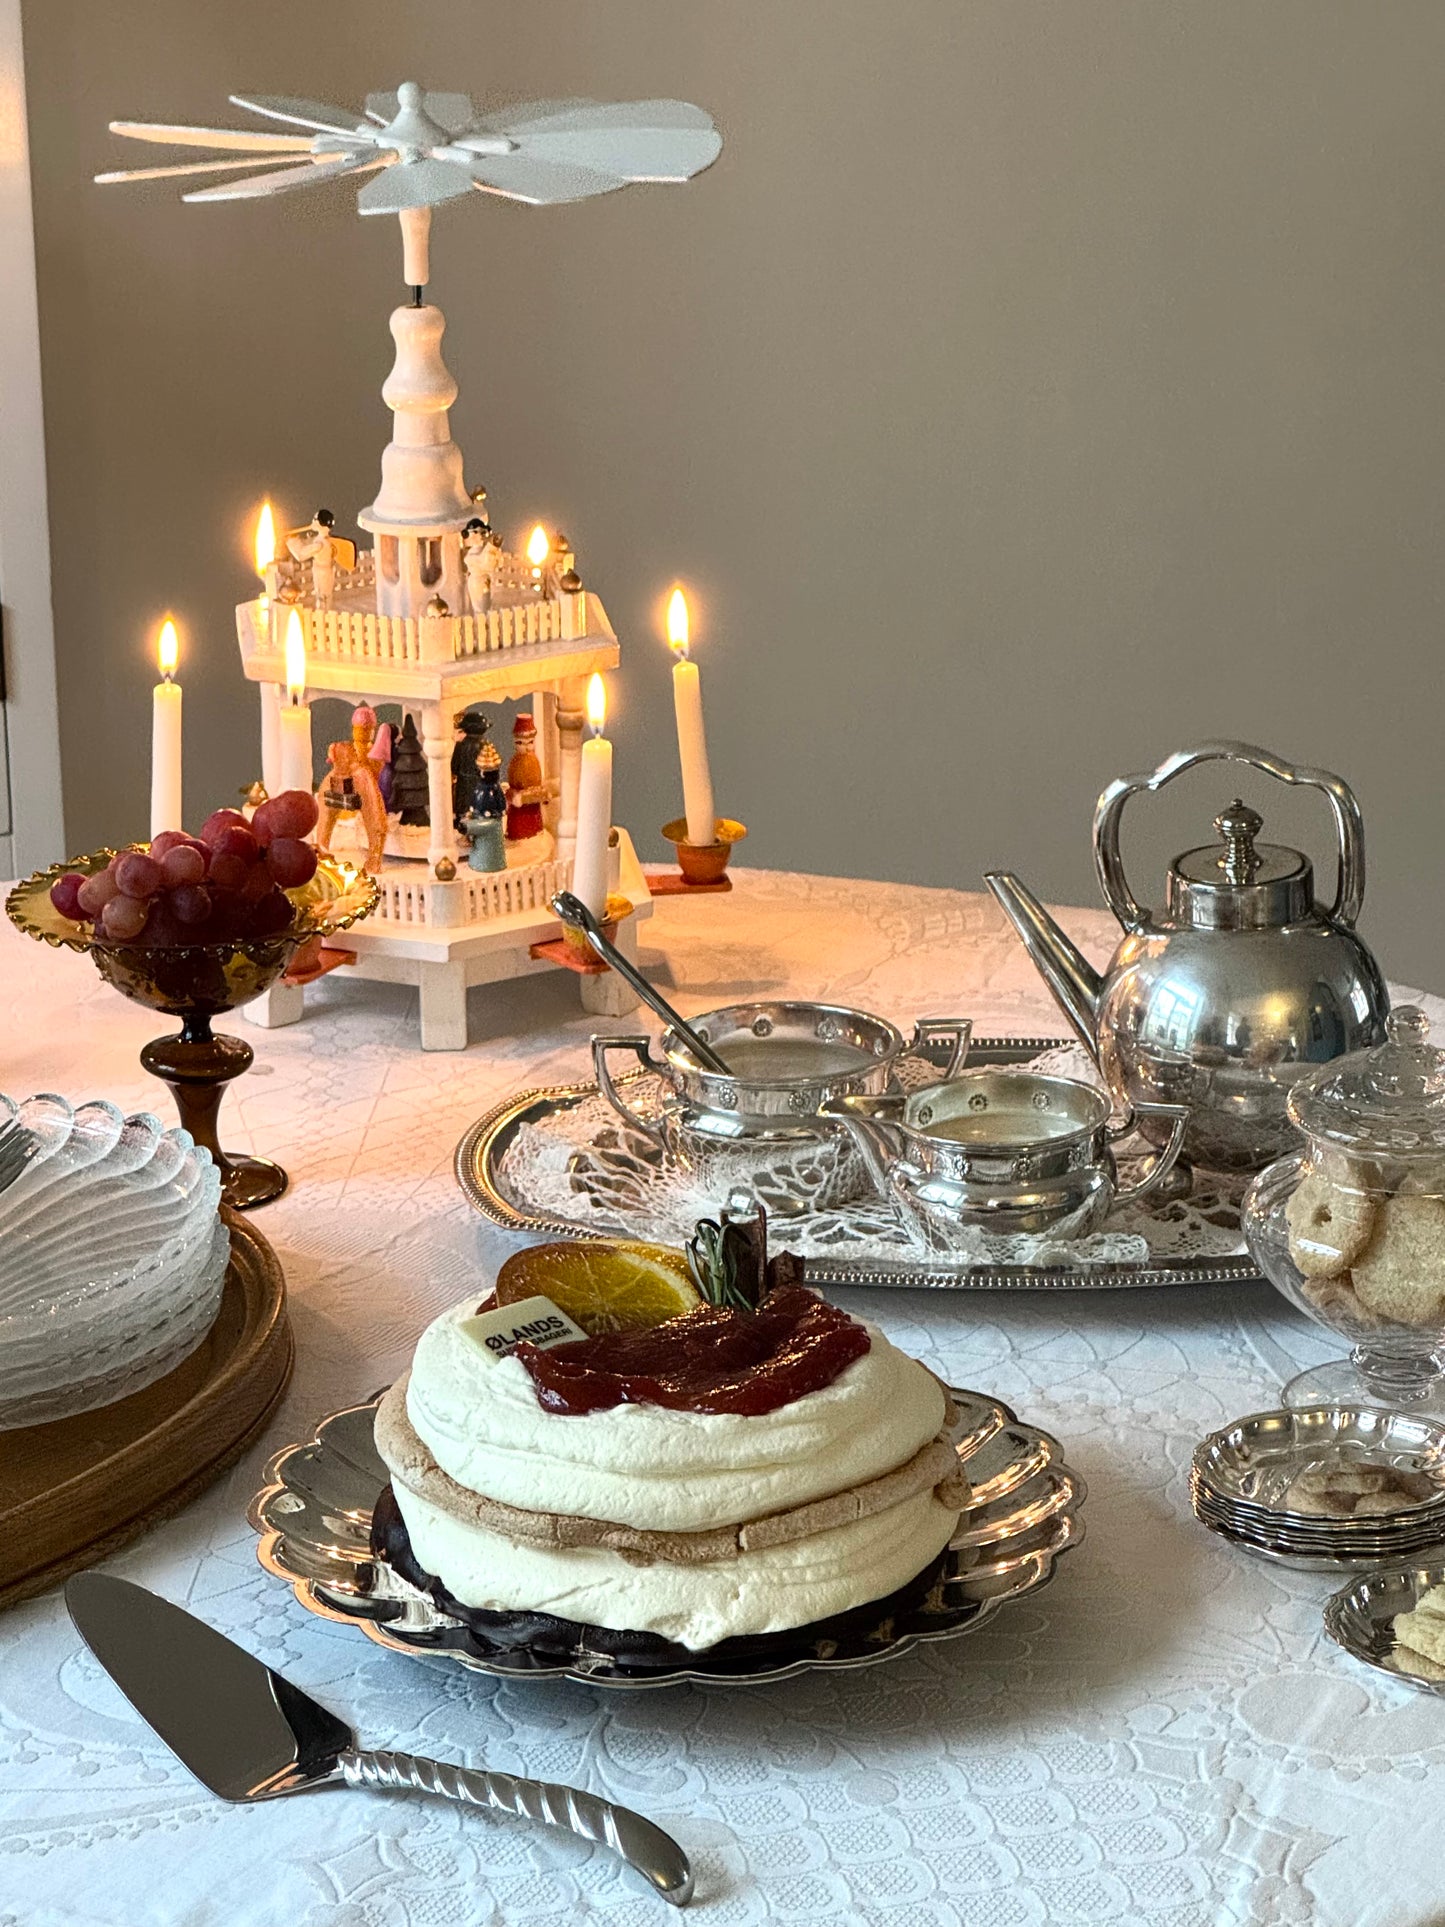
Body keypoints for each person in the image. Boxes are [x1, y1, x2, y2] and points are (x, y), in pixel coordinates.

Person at [288, 509, 338, 608]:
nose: (312, 522)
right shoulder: (325, 539)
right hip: (324, 570)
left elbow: (300, 555)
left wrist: (290, 541)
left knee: (322, 596)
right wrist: (303, 539)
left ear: (320, 523)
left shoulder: (319, 544)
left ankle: (323, 617)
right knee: (323, 595)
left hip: (322, 573)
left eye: (314, 519)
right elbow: (309, 544)